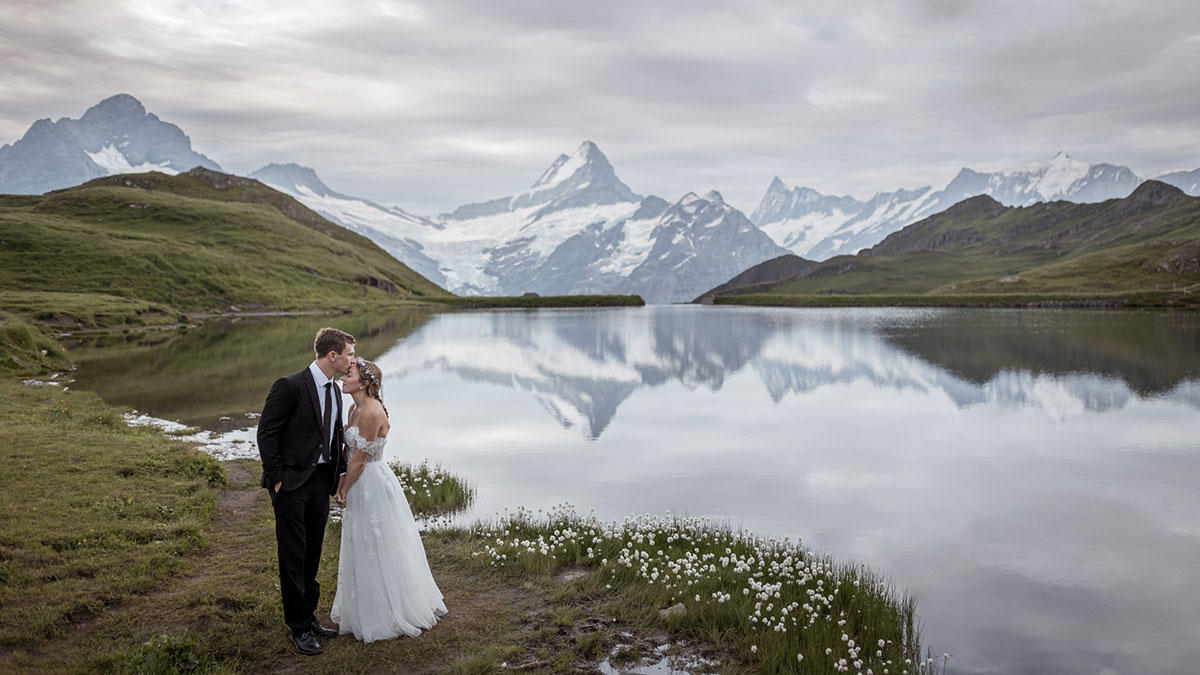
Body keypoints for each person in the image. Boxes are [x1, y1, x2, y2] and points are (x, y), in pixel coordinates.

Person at [330, 357, 448, 642]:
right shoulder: (353, 408)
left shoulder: (371, 412)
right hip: (358, 480)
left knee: (377, 542)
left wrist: (343, 488)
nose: (343, 378)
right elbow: (349, 455)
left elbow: (359, 460)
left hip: (369, 481)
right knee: (361, 541)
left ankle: (387, 611)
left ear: (365, 382)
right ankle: (362, 606)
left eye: (349, 374)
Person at [257, 327, 355, 655]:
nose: (352, 360)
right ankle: (297, 626)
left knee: (312, 550)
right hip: (291, 484)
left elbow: (332, 436)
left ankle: (309, 615)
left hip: (320, 482)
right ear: (332, 356)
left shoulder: (335, 391)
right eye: (349, 354)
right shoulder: (289, 386)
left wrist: (338, 474)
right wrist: (277, 479)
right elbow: (266, 434)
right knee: (293, 554)